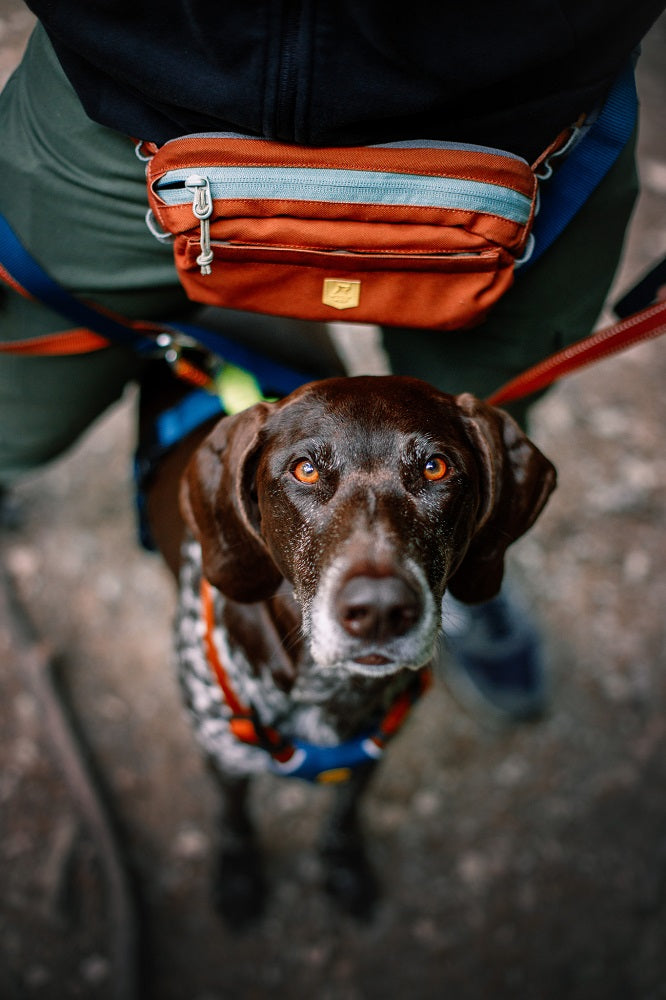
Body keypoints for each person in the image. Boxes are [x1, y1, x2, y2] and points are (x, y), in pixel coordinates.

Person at [1, 1, 664, 720]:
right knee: (17, 421)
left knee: (483, 430)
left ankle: (462, 573)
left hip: (526, 151)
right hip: (125, 123)